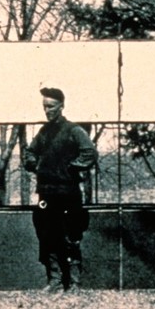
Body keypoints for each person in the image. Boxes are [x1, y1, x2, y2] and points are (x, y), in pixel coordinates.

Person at [23, 87, 97, 293]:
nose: (48, 111)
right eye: (45, 107)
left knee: (70, 237)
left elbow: (90, 153)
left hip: (68, 193)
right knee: (48, 236)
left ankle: (74, 283)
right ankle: (55, 281)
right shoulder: (44, 132)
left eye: (52, 107)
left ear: (61, 107)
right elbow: (29, 152)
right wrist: (33, 163)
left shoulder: (74, 130)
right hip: (46, 194)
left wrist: (71, 168)